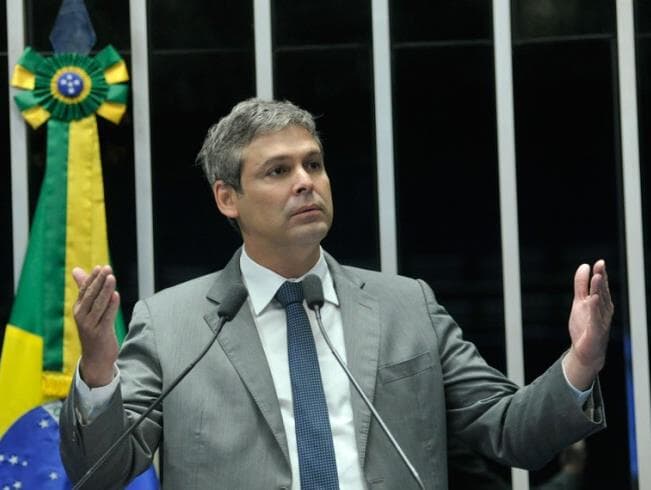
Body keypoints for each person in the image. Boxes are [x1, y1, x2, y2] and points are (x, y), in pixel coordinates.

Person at [59, 99, 613, 489]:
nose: (306, 181)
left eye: (313, 164)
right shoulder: (172, 323)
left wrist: (581, 362)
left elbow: (510, 431)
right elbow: (100, 471)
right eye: (278, 171)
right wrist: (100, 371)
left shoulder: (408, 306)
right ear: (227, 198)